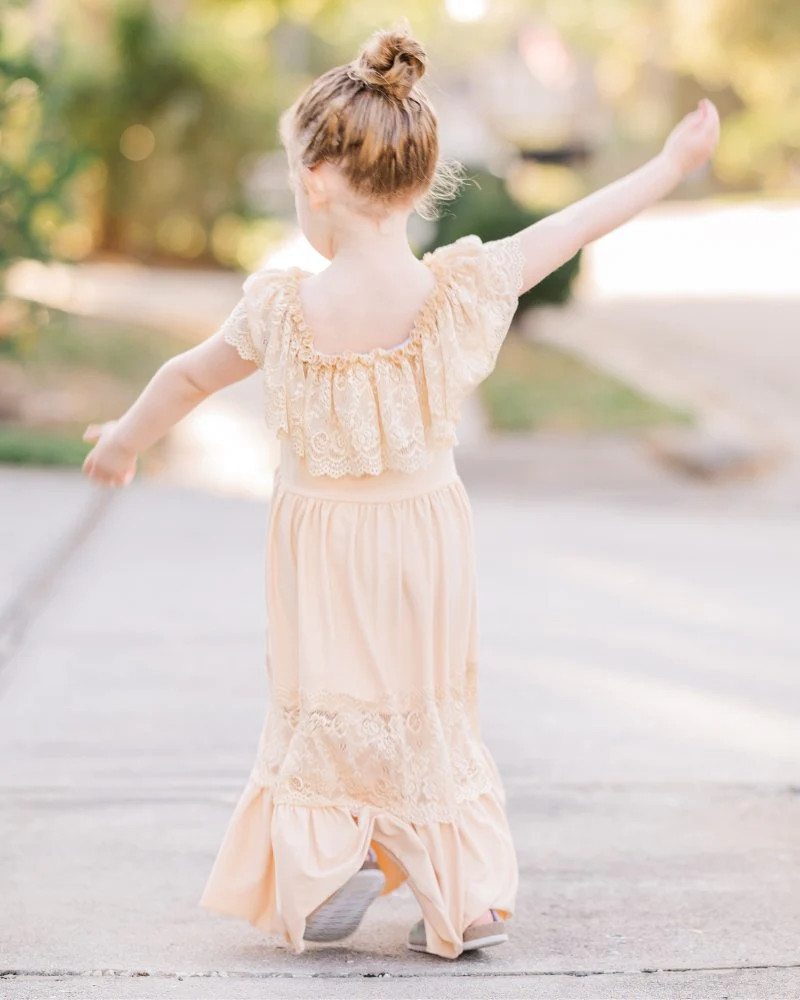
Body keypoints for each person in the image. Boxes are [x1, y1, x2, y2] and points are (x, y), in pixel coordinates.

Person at [81, 22, 720, 960]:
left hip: (322, 547)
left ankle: (338, 856)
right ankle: (463, 893)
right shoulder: (460, 289)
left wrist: (123, 443)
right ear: (421, 185)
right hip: (425, 540)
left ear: (312, 182)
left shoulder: (282, 308)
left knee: (331, 699)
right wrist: (668, 164)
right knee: (427, 703)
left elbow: (186, 377)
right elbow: (575, 223)